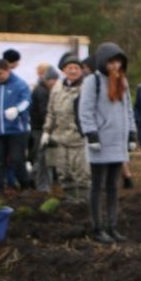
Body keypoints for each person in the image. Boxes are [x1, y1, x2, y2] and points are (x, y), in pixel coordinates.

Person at [77, 42, 138, 244]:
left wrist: (131, 134)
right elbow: (85, 111)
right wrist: (91, 135)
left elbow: (128, 110)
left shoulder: (123, 82)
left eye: (119, 62)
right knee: (97, 186)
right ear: (103, 62)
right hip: (100, 143)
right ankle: (97, 227)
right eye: (112, 62)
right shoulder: (92, 82)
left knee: (113, 186)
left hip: (117, 144)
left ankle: (112, 225)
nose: (116, 66)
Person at [43, 55, 91, 202]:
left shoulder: (86, 88)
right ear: (64, 70)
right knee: (63, 171)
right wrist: (46, 131)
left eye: (76, 68)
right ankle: (70, 199)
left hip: (79, 138)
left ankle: (84, 200)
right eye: (70, 68)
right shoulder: (57, 88)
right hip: (60, 137)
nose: (73, 71)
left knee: (81, 172)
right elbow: (51, 112)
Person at [0, 58, 32, 192]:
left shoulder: (20, 84)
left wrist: (18, 109)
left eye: (0, 74)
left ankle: (25, 186)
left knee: (17, 160)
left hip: (17, 131)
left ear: (7, 71)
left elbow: (27, 101)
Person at [30, 64, 59, 192]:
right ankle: (37, 182)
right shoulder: (42, 92)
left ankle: (41, 182)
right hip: (39, 129)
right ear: (49, 79)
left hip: (40, 127)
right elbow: (44, 112)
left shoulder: (43, 89)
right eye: (54, 80)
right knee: (41, 156)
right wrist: (51, 126)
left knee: (43, 156)